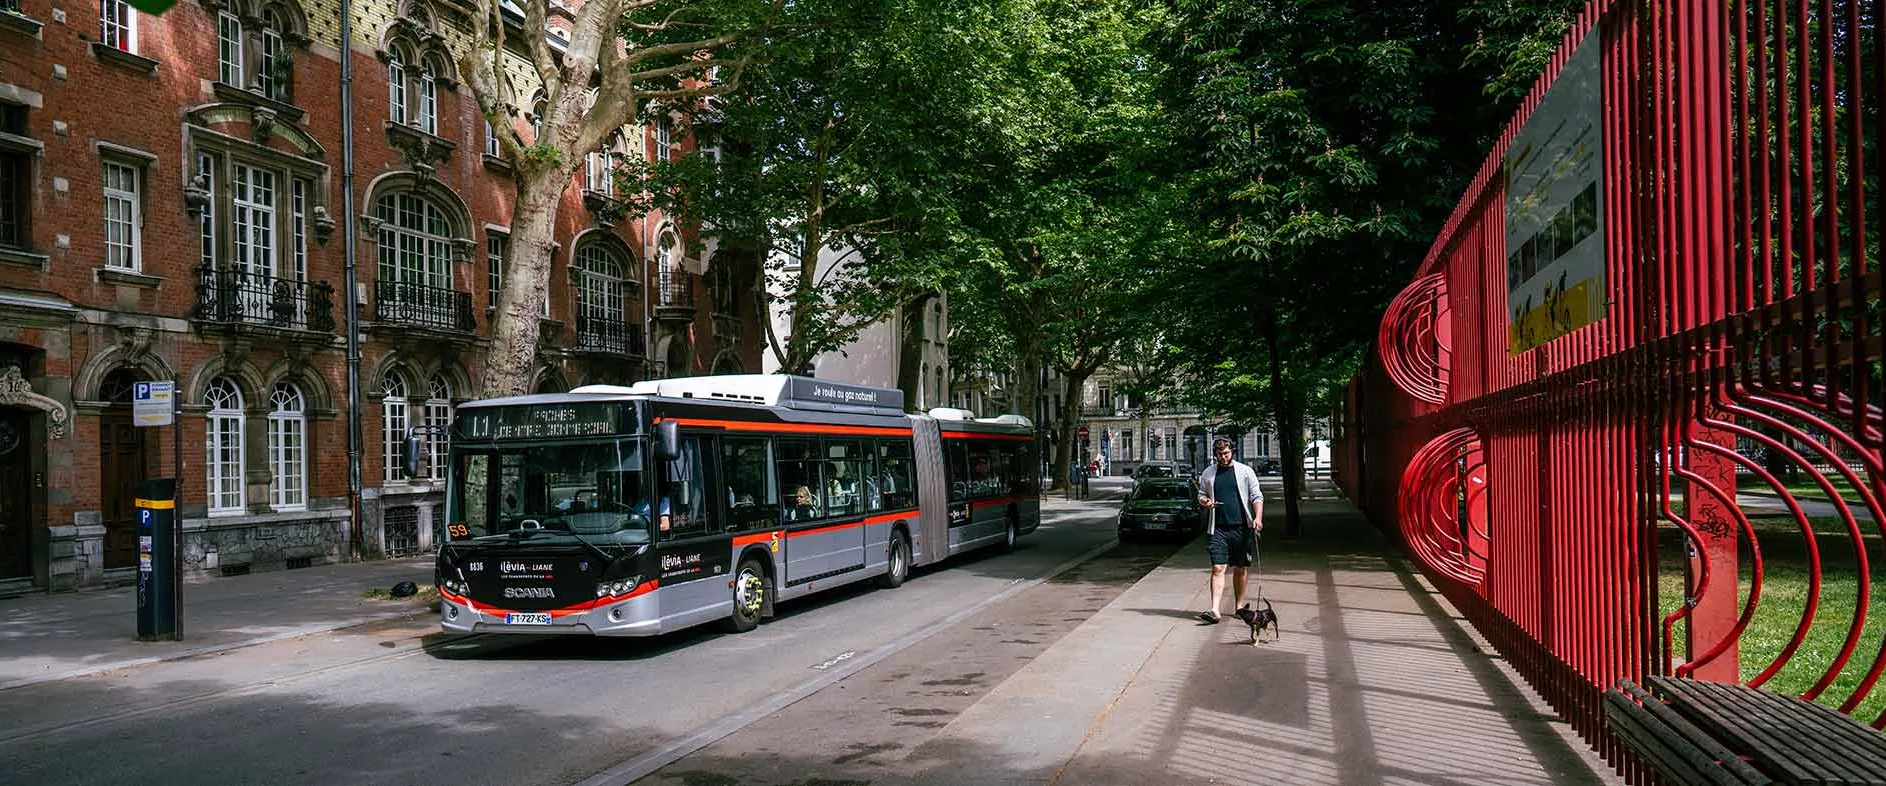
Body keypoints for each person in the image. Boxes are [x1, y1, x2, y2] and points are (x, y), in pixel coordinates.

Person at [1195, 437, 1263, 624]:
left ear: (1232, 451)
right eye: (1219, 454)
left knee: (1240, 568)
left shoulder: (1245, 471)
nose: (1223, 457)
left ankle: (1239, 606)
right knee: (1218, 567)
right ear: (1215, 454)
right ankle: (1215, 610)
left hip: (1242, 527)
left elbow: (1257, 495)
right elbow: (1201, 494)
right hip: (1218, 528)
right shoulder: (1209, 473)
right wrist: (1205, 502)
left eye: (1226, 453)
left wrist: (1258, 518)